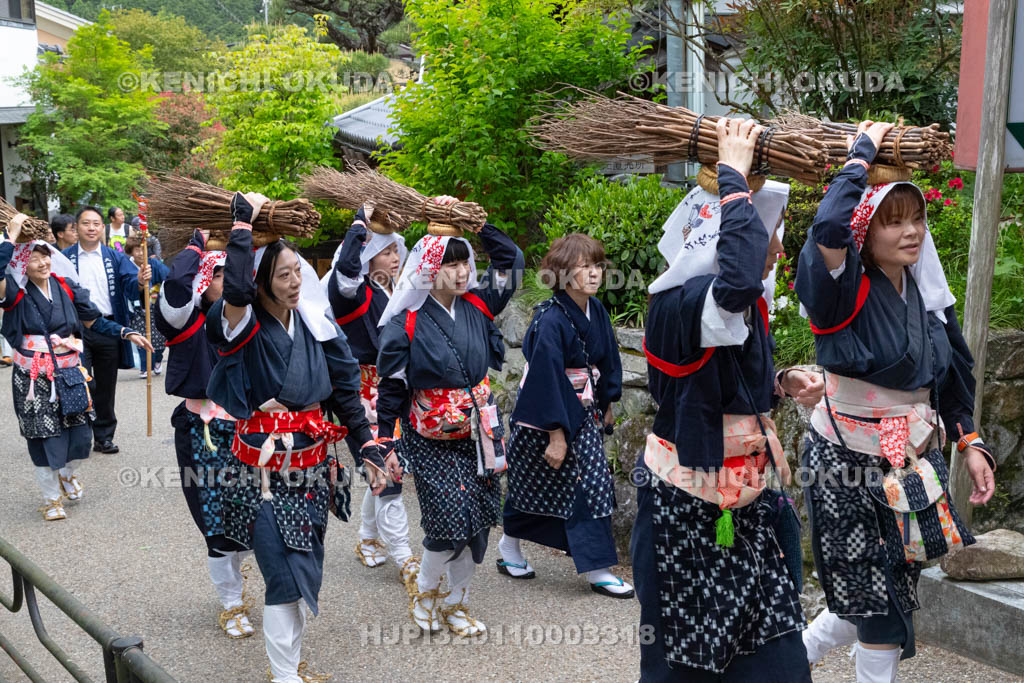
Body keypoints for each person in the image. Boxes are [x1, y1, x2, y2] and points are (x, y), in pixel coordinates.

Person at [795, 121, 997, 682]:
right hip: (844, 463)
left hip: (903, 457)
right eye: (894, 221)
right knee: (874, 598)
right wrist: (863, 152)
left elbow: (950, 378)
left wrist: (970, 441)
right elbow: (828, 225)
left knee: (886, 587)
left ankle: (786, 661)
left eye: (917, 219)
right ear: (866, 230)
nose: (912, 232)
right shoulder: (841, 289)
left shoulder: (928, 296)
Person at [632, 118, 823, 681]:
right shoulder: (680, 304)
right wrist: (734, 179)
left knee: (778, 663)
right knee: (687, 664)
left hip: (751, 506)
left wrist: (782, 380)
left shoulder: (737, 306)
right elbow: (736, 280)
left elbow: (734, 369)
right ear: (725, 235)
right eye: (769, 232)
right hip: (688, 515)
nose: (780, 247)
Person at [206, 192, 394, 683]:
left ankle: (288, 666)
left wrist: (367, 448)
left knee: (304, 564)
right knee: (284, 574)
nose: (294, 282)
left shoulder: (314, 322)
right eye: (283, 274)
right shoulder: (239, 324)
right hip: (263, 474)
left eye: (298, 271)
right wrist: (243, 226)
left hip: (312, 469)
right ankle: (284, 675)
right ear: (260, 281)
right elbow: (238, 294)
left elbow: (347, 396)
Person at [376, 202, 525, 636]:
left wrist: (480, 225)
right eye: (450, 263)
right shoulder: (406, 322)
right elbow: (392, 389)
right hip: (430, 436)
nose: (462, 272)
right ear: (427, 267)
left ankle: (457, 603)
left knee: (478, 522)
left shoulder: (479, 304)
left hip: (478, 431)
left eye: (465, 262)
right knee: (446, 520)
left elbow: (511, 261)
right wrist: (385, 443)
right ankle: (425, 593)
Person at [498, 233, 633, 598]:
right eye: (583, 267)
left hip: (583, 412)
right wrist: (556, 433)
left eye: (597, 266)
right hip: (546, 416)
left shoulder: (597, 311)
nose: (593, 274)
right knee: (532, 487)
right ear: (562, 273)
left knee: (592, 485)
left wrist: (607, 404)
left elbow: (608, 362)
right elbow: (546, 376)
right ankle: (509, 548)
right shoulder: (550, 319)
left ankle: (597, 568)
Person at [0, 214, 151, 520]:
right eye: (34, 260)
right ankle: (51, 498)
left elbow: (93, 320)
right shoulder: (14, 294)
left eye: (45, 257)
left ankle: (67, 475)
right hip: (33, 378)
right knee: (44, 436)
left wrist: (127, 332)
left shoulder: (66, 287)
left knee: (81, 436)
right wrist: (11, 238)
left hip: (70, 372)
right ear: (21, 266)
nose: (42, 264)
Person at [155, 227, 256, 640]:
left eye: (229, 275)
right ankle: (231, 604)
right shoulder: (185, 322)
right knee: (216, 522)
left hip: (250, 431)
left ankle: (252, 581)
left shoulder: (248, 322)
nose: (226, 282)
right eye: (218, 276)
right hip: (203, 432)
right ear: (204, 280)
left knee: (253, 514)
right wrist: (197, 245)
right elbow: (177, 284)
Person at [323, 206, 418, 585]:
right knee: (387, 471)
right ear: (367, 255)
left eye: (397, 249)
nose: (396, 257)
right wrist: (359, 223)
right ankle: (406, 556)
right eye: (386, 251)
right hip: (362, 396)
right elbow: (345, 272)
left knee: (382, 467)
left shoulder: (395, 290)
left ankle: (367, 537)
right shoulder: (354, 293)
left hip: (394, 391)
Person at [63, 206, 149, 454]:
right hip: (74, 330)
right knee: (79, 383)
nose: (91, 228)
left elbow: (131, 285)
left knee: (105, 385)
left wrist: (141, 281)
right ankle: (78, 435)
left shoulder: (114, 257)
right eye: (85, 223)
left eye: (96, 223)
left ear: (103, 227)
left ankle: (103, 436)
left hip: (108, 327)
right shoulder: (64, 257)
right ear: (76, 228)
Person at [125, 234, 169, 377]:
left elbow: (167, 277)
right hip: (136, 309)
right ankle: (145, 367)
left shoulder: (154, 263)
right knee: (141, 337)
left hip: (155, 307)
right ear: (131, 251)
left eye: (143, 249)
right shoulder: (126, 264)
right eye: (136, 249)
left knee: (160, 338)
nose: (140, 253)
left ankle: (157, 359)